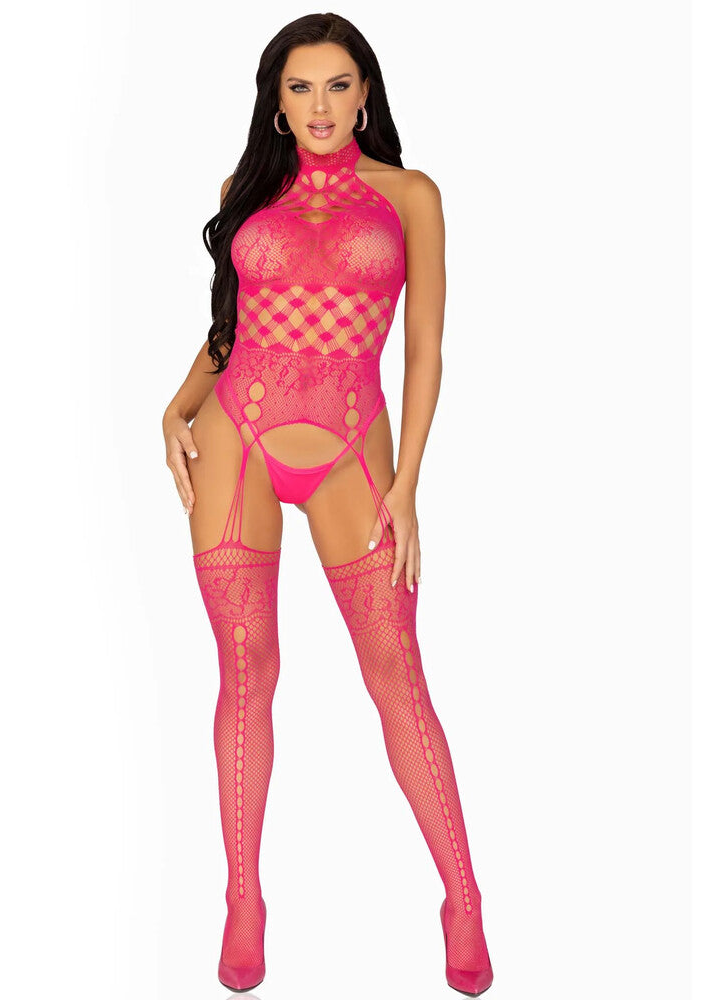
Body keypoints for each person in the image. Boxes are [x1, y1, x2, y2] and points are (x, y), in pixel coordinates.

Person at [161, 12, 494, 996]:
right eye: (300, 87)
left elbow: (425, 350)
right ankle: (242, 897)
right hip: (237, 437)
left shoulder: (410, 195)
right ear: (276, 102)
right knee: (246, 669)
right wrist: (175, 406)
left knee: (397, 673)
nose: (319, 105)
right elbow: (231, 327)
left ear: (364, 94)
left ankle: (464, 897)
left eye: (337, 85)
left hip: (353, 451)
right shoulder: (247, 192)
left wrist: (408, 483)